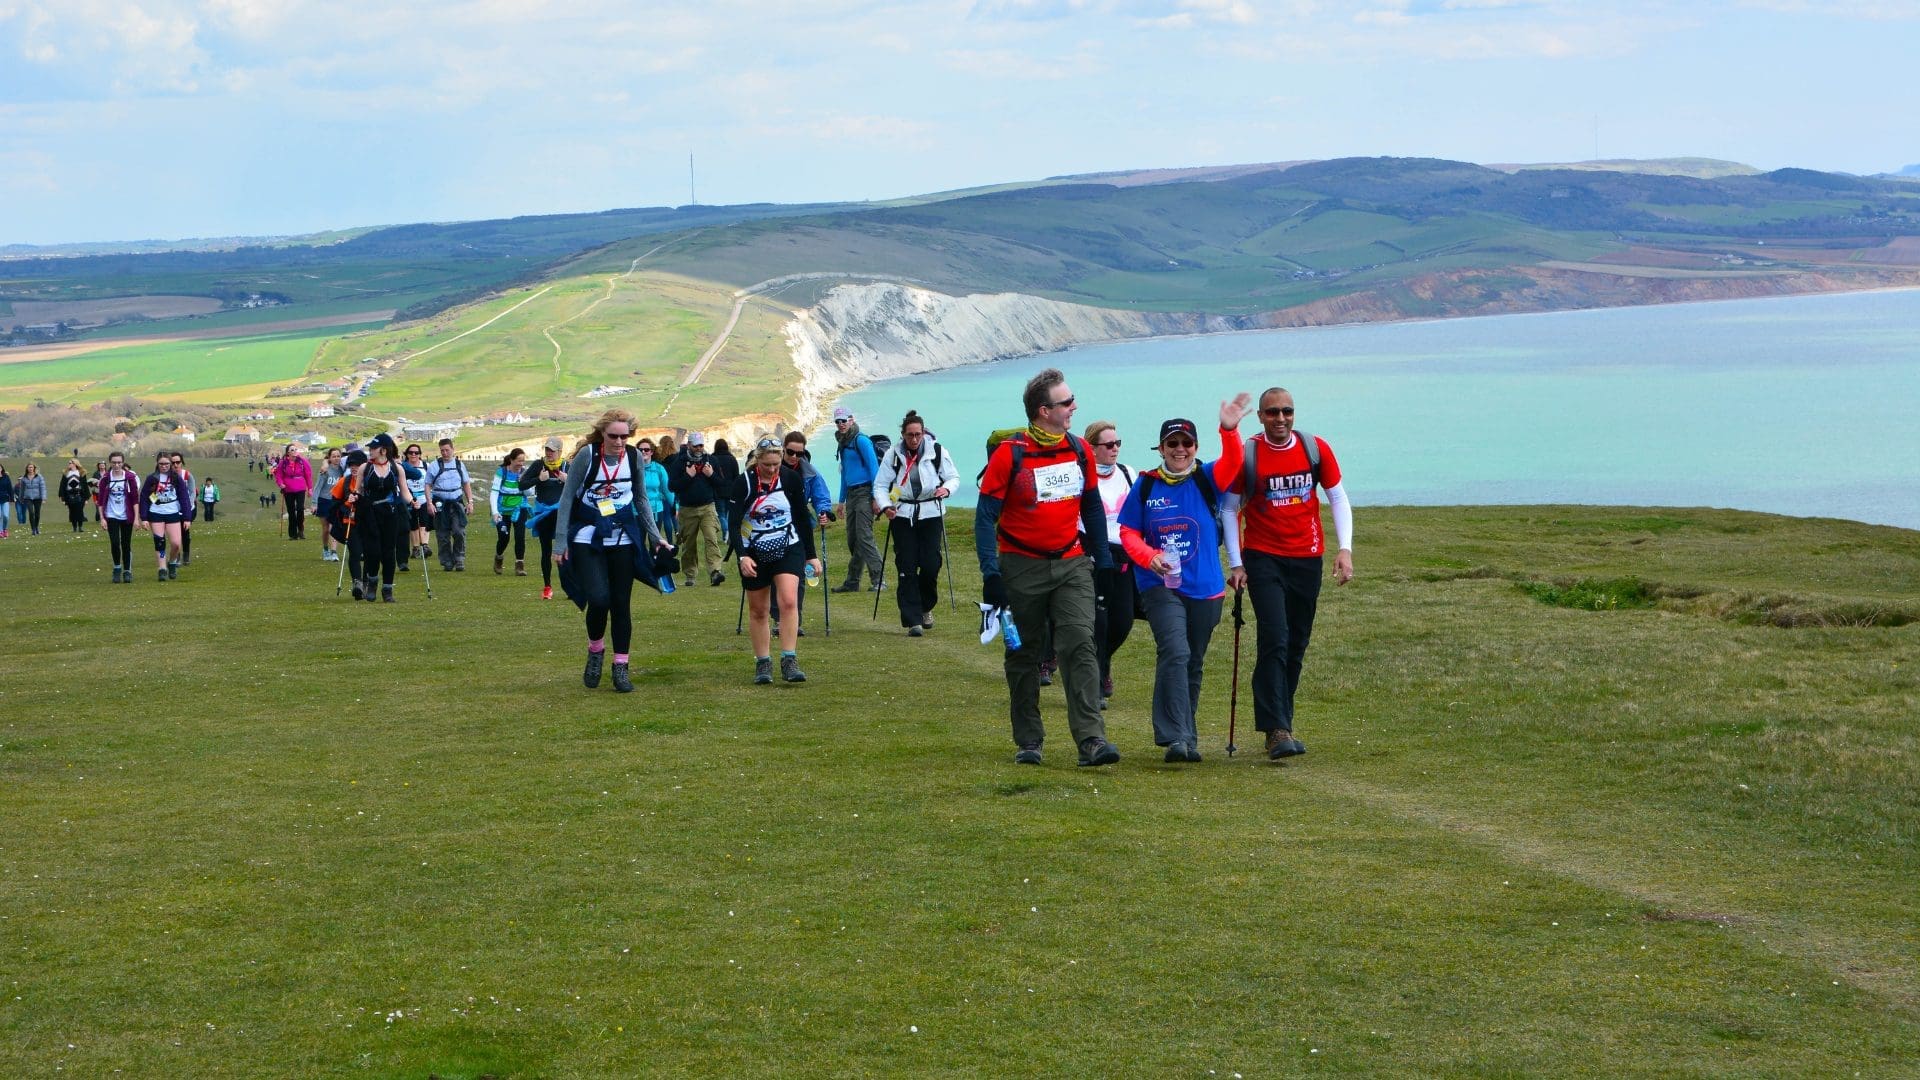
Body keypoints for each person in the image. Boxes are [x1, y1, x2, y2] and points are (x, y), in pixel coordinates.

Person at [975, 367, 1120, 767]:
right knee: (1023, 654)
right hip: (1021, 566)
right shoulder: (1011, 454)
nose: (1074, 407)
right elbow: (985, 517)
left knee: (1080, 645)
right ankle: (1029, 739)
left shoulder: (1079, 450)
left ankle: (1092, 740)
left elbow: (1090, 504)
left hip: (1072, 563)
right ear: (1043, 411)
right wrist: (992, 574)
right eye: (1066, 402)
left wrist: (1103, 562)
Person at [1221, 386, 1354, 760]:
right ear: (1261, 417)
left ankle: (1283, 722)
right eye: (1272, 412)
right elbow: (1229, 509)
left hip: (1308, 557)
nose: (1280, 419)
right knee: (1274, 639)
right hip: (1264, 557)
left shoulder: (1314, 448)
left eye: (1287, 411)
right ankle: (1275, 728)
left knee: (1296, 643)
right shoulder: (1248, 453)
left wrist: (1345, 549)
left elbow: (1337, 496)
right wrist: (1236, 562)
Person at [1116, 401, 1251, 763]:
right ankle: (1176, 737)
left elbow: (1234, 462)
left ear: (1195, 447)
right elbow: (1128, 531)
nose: (1180, 450)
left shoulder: (1208, 478)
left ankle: (1187, 736)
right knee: (1174, 651)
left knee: (1193, 660)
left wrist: (1229, 429)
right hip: (1159, 585)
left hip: (1205, 587)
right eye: (1172, 444)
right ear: (1160, 448)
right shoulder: (1146, 486)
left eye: (1186, 443)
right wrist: (1150, 557)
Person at [554, 409, 671, 693]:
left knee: (621, 603)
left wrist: (656, 538)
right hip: (588, 536)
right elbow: (567, 497)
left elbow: (641, 499)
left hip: (623, 537)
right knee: (599, 598)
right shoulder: (588, 456)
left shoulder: (633, 458)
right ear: (602, 434)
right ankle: (596, 650)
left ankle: (621, 667)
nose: (619, 442)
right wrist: (560, 542)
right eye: (613, 436)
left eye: (624, 436)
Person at [729, 442, 821, 684]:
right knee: (759, 610)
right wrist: (742, 556)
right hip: (754, 550)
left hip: (788, 546)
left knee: (788, 601)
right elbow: (734, 523)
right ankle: (763, 662)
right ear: (757, 461)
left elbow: (802, 517)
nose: (771, 470)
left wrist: (811, 555)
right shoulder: (745, 483)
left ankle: (789, 659)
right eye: (766, 465)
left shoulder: (790, 480)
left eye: (776, 465)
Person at [873, 410, 959, 636]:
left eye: (917, 434)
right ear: (902, 435)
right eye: (910, 435)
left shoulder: (937, 451)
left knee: (931, 564)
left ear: (923, 433)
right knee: (906, 565)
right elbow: (881, 485)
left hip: (931, 512)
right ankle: (913, 620)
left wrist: (946, 489)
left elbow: (953, 477)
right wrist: (885, 506)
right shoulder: (893, 454)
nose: (914, 439)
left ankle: (926, 607)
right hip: (903, 514)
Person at [1084, 420, 1138, 708]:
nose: (1115, 449)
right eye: (1108, 445)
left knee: (1123, 622)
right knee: (1098, 623)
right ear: (1092, 449)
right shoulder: (1083, 477)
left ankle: (1103, 663)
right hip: (1093, 558)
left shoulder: (1128, 474)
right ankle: (1094, 680)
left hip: (1125, 557)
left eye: (1118, 443)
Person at [346, 435, 422, 603]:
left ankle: (387, 589)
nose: (370, 451)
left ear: (383, 450)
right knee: (372, 552)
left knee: (389, 552)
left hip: (390, 513)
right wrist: (354, 497)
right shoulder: (365, 467)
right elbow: (358, 490)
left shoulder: (397, 468)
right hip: (369, 513)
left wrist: (412, 501)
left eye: (373, 448)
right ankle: (372, 582)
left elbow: (404, 491)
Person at [776, 430, 835, 636]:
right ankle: (778, 619)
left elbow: (821, 496)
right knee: (776, 573)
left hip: (800, 527)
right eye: (790, 452)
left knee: (797, 574)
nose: (794, 457)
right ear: (783, 449)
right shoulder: (772, 468)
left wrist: (823, 511)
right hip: (774, 526)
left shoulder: (810, 472)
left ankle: (794, 619)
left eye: (799, 454)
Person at [830, 406, 884, 593]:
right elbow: (845, 472)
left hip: (865, 493)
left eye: (844, 420)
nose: (841, 424)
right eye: (837, 421)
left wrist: (875, 497)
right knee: (853, 539)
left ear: (851, 420)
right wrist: (842, 501)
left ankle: (879, 579)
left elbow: (874, 468)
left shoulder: (861, 440)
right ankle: (853, 581)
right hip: (852, 495)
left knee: (864, 536)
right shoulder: (843, 443)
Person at [668, 432, 726, 587]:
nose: (699, 448)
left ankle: (715, 571)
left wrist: (711, 474)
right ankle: (690, 575)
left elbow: (721, 483)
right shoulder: (679, 463)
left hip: (707, 506)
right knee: (688, 544)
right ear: (689, 445)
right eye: (696, 446)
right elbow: (672, 486)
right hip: (687, 509)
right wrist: (688, 476)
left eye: (701, 445)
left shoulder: (711, 460)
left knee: (711, 539)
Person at [519, 436, 569, 599]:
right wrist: (538, 479)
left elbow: (581, 487)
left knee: (565, 550)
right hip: (543, 513)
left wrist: (567, 480)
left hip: (561, 513)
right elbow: (522, 484)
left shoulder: (567, 466)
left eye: (552, 450)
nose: (549, 453)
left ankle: (569, 586)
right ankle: (547, 587)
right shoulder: (538, 465)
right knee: (546, 550)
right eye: (547, 449)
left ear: (560, 452)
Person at [425, 438, 475, 571]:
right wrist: (429, 503)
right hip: (440, 503)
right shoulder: (434, 466)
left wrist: (470, 502)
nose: (445, 453)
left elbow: (466, 483)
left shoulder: (459, 465)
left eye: (447, 450)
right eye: (442, 450)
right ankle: (446, 561)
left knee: (459, 531)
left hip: (456, 502)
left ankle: (459, 559)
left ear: (453, 449)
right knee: (442, 535)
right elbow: (428, 484)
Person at [140, 451, 189, 581]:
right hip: (156, 512)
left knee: (176, 543)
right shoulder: (152, 478)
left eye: (167, 463)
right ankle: (162, 568)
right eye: (161, 463)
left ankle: (172, 562)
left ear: (171, 464)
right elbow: (145, 496)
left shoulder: (176, 478)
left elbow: (184, 497)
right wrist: (144, 517)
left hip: (172, 512)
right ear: (157, 464)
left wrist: (187, 517)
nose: (164, 466)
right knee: (160, 542)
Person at [95, 452, 141, 582]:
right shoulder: (105, 479)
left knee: (126, 544)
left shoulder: (130, 478)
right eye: (114, 462)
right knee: (115, 543)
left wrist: (136, 518)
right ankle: (117, 568)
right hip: (111, 515)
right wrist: (102, 518)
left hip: (127, 515)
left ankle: (127, 570)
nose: (116, 465)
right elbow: (100, 500)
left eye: (119, 462)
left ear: (123, 463)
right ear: (110, 463)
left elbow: (134, 500)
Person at [491, 448, 530, 576]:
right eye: (519, 461)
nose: (521, 463)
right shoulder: (501, 472)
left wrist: (523, 483)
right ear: (511, 460)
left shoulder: (524, 473)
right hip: (502, 510)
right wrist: (495, 512)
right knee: (504, 537)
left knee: (520, 536)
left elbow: (530, 493)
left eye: (523, 461)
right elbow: (494, 493)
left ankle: (519, 565)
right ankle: (499, 558)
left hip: (520, 508)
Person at [271, 444, 313, 541]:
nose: (294, 451)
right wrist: (281, 484)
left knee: (300, 509)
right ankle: (293, 534)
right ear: (288, 453)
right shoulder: (283, 463)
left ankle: (301, 530)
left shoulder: (303, 461)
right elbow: (279, 475)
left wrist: (310, 488)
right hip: (288, 489)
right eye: (292, 450)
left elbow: (308, 475)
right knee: (291, 511)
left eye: (295, 449)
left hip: (301, 488)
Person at [399, 444, 430, 571]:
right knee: (413, 525)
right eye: (411, 452)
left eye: (416, 453)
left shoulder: (426, 466)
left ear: (420, 454)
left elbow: (429, 481)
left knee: (424, 523)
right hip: (409, 498)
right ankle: (416, 547)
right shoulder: (402, 467)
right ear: (406, 454)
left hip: (423, 498)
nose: (413, 455)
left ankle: (425, 546)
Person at [314, 448, 346, 562]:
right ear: (330, 458)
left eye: (338, 456)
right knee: (326, 529)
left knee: (334, 527)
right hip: (324, 500)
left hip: (335, 502)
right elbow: (317, 487)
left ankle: (334, 552)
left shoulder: (343, 470)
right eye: (334, 456)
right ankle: (325, 549)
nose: (336, 458)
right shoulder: (325, 470)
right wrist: (314, 503)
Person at [709, 437, 741, 542]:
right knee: (728, 513)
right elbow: (737, 476)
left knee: (720, 513)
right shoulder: (732, 459)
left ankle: (725, 532)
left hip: (717, 490)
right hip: (731, 491)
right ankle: (727, 534)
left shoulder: (712, 458)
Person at [170, 453, 195, 565]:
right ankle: (177, 556)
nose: (175, 465)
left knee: (185, 532)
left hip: (187, 509)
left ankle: (186, 555)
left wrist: (187, 508)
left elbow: (192, 492)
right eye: (173, 463)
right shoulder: (166, 477)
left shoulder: (187, 475)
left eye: (178, 462)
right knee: (175, 534)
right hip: (172, 509)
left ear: (182, 462)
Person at [653, 434, 680, 542]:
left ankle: (670, 541)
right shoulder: (678, 458)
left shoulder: (659, 460)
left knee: (666, 517)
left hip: (663, 490)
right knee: (675, 512)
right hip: (676, 489)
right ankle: (678, 531)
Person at [60, 460, 91, 533]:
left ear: (75, 464)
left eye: (70, 463)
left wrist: (86, 498)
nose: (69, 464)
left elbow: (85, 486)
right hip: (69, 495)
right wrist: (63, 498)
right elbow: (62, 485)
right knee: (72, 512)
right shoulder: (66, 473)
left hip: (79, 495)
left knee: (80, 511)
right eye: (69, 463)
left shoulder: (81, 473)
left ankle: (80, 527)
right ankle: (74, 527)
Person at [17, 463, 46, 535]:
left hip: (37, 497)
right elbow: (22, 489)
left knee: (37, 514)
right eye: (29, 467)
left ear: (34, 468)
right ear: (27, 469)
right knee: (31, 512)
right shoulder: (24, 478)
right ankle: (33, 529)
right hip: (28, 497)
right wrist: (21, 498)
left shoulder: (39, 477)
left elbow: (42, 487)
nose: (30, 469)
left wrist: (44, 498)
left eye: (31, 467)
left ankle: (36, 527)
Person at [0, 465, 12, 539]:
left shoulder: (6, 477)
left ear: (1, 469)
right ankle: (0, 531)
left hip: (5, 499)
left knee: (5, 516)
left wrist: (12, 498)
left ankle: (5, 529)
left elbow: (10, 487)